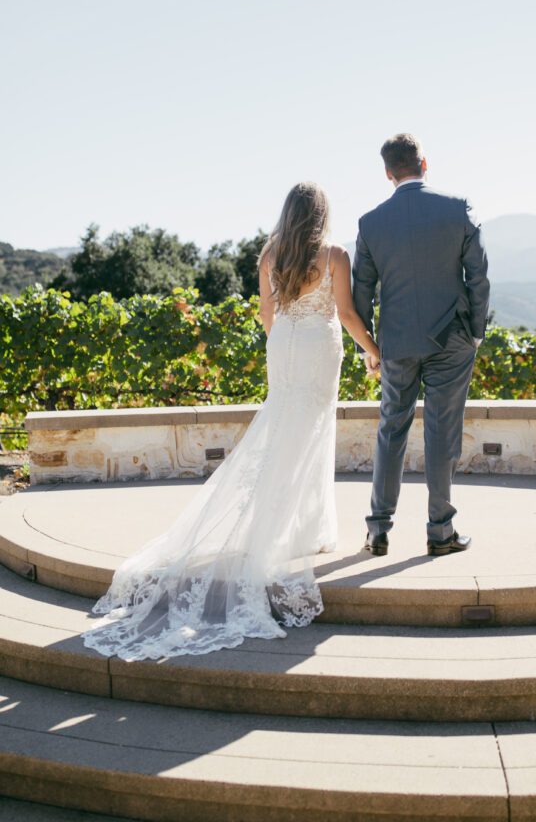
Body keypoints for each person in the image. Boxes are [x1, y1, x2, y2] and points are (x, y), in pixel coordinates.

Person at [82, 182, 379, 661]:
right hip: (319, 349)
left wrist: (282, 340)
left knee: (281, 426)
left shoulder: (270, 254)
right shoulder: (335, 255)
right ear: (322, 214)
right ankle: (298, 531)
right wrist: (374, 351)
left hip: (282, 344)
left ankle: (297, 526)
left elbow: (267, 312)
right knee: (309, 434)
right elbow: (344, 312)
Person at [352, 133, 490, 557]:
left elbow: (361, 292)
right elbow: (479, 278)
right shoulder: (457, 209)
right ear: (424, 164)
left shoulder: (370, 223)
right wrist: (477, 332)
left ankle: (378, 530)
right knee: (442, 431)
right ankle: (440, 531)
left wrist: (370, 348)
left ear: (388, 173)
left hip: (396, 344)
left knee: (391, 429)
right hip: (452, 339)